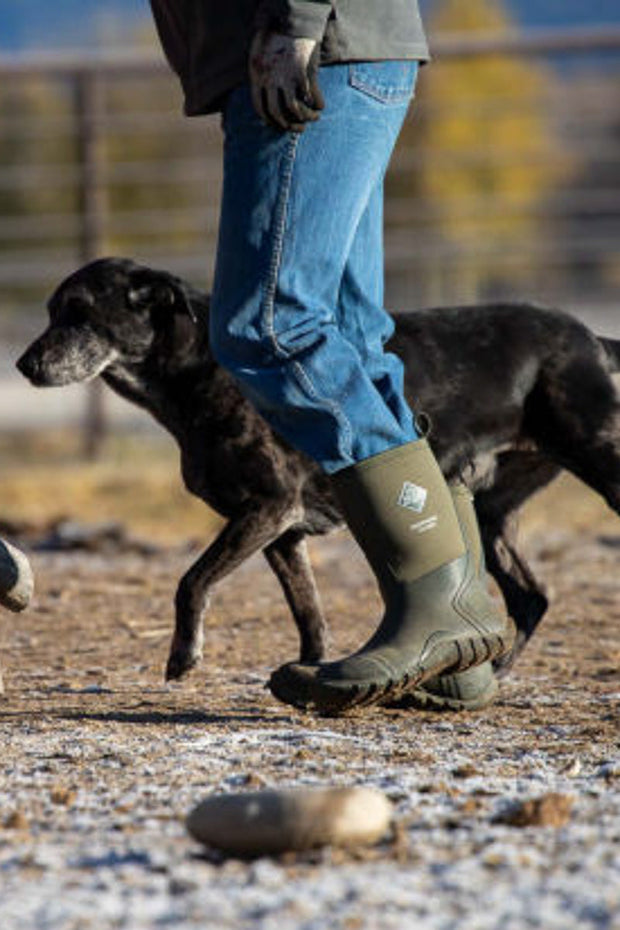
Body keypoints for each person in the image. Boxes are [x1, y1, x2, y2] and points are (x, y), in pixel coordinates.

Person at [148, 0, 514, 714]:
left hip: (303, 48)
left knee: (270, 323)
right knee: (346, 331)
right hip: (327, 49)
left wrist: (300, 19)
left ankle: (438, 602)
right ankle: (458, 621)